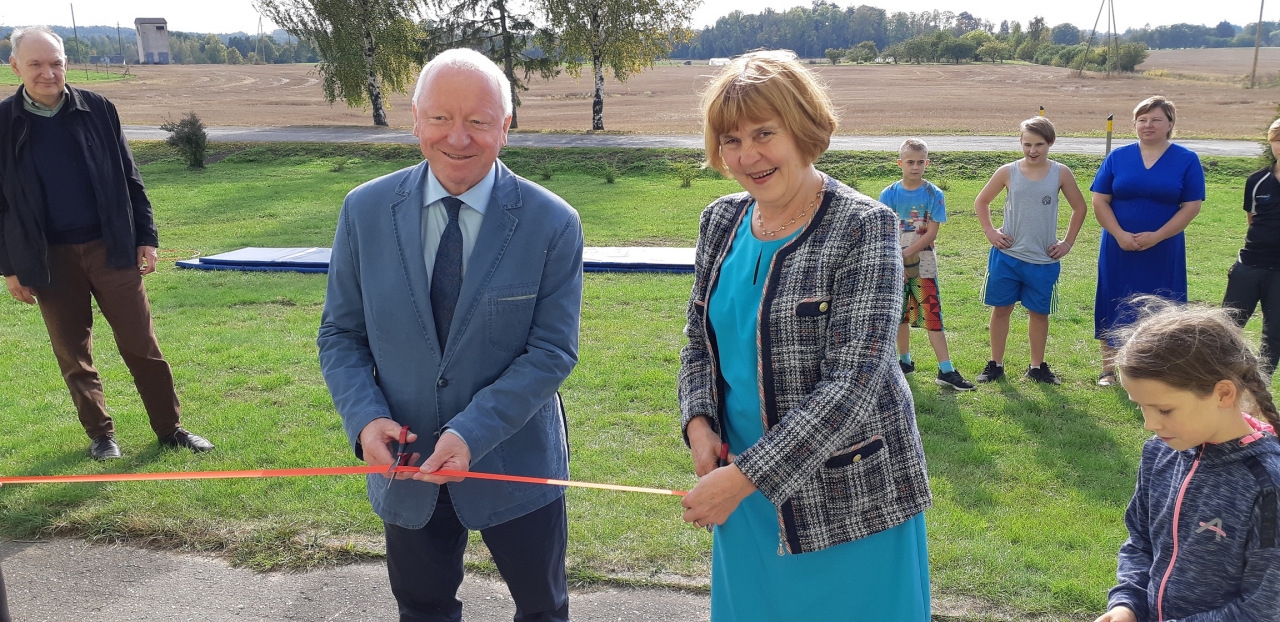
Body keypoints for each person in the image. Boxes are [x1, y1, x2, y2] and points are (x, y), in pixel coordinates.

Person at [317, 48, 583, 622]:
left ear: (505, 128)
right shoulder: (363, 211)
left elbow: (552, 349)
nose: (457, 138)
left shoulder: (553, 222)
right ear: (415, 121)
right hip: (406, 463)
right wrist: (363, 419)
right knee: (422, 608)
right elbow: (340, 335)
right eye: (440, 118)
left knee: (543, 608)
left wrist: (473, 431)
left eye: (478, 121)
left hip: (515, 462)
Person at [679, 50, 932, 621]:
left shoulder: (863, 225)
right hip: (740, 492)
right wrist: (698, 423)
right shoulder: (720, 220)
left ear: (802, 129)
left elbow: (856, 380)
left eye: (764, 133)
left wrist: (745, 478)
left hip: (847, 497)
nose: (747, 155)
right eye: (731, 139)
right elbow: (698, 340)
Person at [0, 26, 212, 460]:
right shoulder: (3, 123)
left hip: (111, 247)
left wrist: (146, 238)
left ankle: (171, 429)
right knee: (73, 354)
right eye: (36, 64)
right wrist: (9, 267)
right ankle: (101, 435)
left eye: (55, 62)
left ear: (66, 63)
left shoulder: (97, 108)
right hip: (49, 260)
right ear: (15, 66)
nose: (48, 72)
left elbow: (131, 178)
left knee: (142, 346)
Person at [1095, 300, 1280, 622]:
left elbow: (1264, 608)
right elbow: (1140, 541)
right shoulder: (1159, 453)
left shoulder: (1267, 486)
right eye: (1141, 406)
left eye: (1164, 410)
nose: (1149, 424)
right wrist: (1127, 604)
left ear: (1223, 394)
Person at [1092, 96, 1205, 387]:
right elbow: (1100, 200)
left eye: (1155, 119)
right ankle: (1108, 370)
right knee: (1114, 297)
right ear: (1134, 124)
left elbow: (1191, 206)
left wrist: (1157, 236)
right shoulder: (1117, 157)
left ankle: (1160, 370)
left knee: (1163, 301)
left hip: (1164, 248)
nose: (1148, 125)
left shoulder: (1186, 159)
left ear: (1170, 124)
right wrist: (1119, 234)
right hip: (1118, 246)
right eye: (1142, 119)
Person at [973, 117, 1087, 385]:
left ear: (1050, 143)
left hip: (1043, 260)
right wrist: (991, 231)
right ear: (1020, 143)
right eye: (1027, 144)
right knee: (1001, 309)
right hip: (1008, 257)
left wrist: (1067, 243)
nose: (1033, 150)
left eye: (1039, 144)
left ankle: (1037, 366)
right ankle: (995, 364)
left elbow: (1079, 208)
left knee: (1039, 313)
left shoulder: (1061, 173)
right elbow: (982, 201)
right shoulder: (1007, 171)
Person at [880, 139, 973, 390]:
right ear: (900, 163)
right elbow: (885, 232)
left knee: (932, 316)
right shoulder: (888, 194)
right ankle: (904, 362)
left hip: (924, 268)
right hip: (895, 269)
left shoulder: (934, 194)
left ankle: (946, 369)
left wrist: (905, 254)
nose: (915, 167)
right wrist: (895, 261)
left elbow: (931, 234)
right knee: (899, 315)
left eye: (920, 162)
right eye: (910, 162)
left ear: (927, 163)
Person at [1223, 117, 1280, 377]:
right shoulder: (1257, 180)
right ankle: (1218, 383)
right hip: (1249, 267)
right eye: (1277, 139)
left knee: (1274, 336)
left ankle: (1261, 395)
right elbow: (1253, 221)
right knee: (1227, 330)